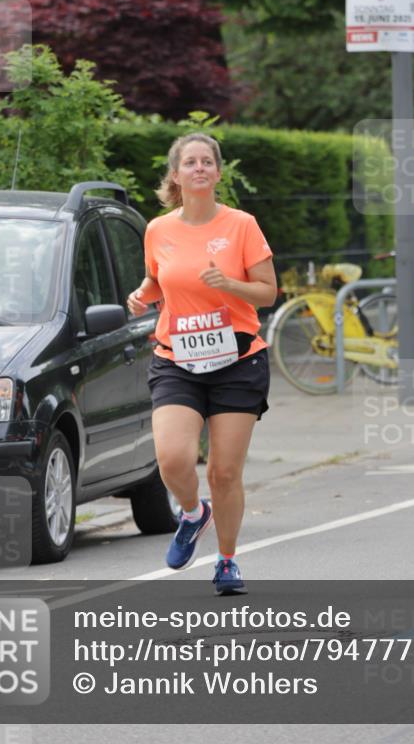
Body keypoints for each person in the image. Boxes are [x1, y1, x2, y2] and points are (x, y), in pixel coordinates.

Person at [127, 133, 277, 594]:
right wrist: (141, 295)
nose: (198, 168)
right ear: (175, 175)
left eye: (207, 161)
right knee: (172, 458)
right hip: (177, 358)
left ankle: (227, 561)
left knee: (225, 472)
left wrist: (230, 284)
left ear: (217, 172)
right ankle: (193, 513)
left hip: (237, 359)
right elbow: (159, 279)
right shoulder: (159, 230)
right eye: (189, 162)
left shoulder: (242, 225)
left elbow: (268, 292)